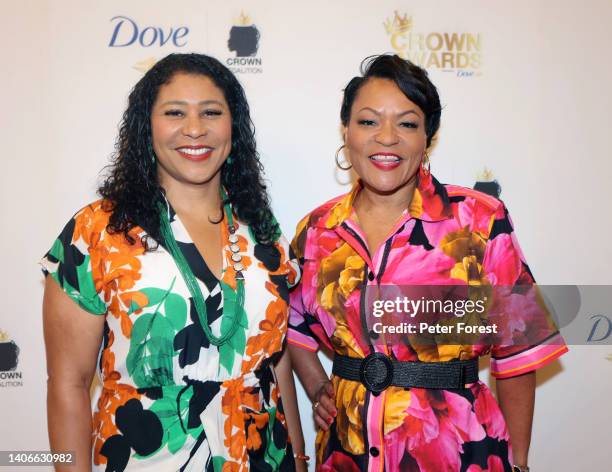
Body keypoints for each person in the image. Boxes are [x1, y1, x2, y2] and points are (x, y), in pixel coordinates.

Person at [287, 54, 568, 472]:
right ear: (346, 131)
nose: (387, 138)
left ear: (427, 138)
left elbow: (517, 352)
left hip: (458, 452)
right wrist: (317, 387)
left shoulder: (479, 220)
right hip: (347, 454)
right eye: (368, 122)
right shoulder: (317, 230)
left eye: (407, 123)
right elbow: (291, 325)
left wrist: (520, 462)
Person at [41, 53, 308, 472]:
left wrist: (298, 455)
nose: (195, 128)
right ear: (147, 127)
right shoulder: (95, 233)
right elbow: (68, 385)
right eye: (175, 113)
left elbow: (275, 361)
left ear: (232, 127)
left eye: (211, 112)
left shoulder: (262, 230)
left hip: (263, 458)